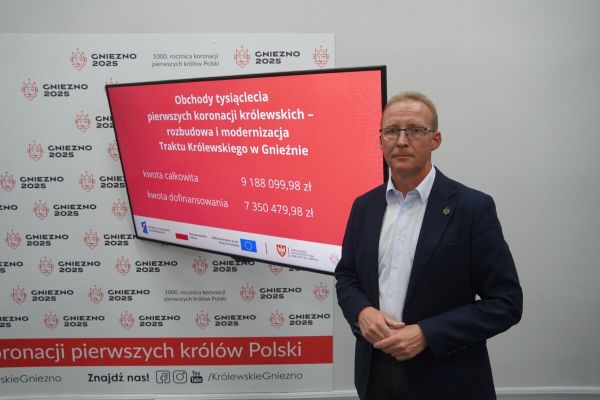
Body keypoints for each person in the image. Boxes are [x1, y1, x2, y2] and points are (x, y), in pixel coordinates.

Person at [334, 91, 523, 400]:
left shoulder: (472, 208)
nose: (401, 141)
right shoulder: (364, 207)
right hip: (374, 373)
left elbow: (506, 303)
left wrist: (427, 333)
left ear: (435, 140)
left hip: (447, 378)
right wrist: (362, 312)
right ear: (380, 140)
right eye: (392, 131)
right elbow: (347, 277)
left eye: (415, 130)